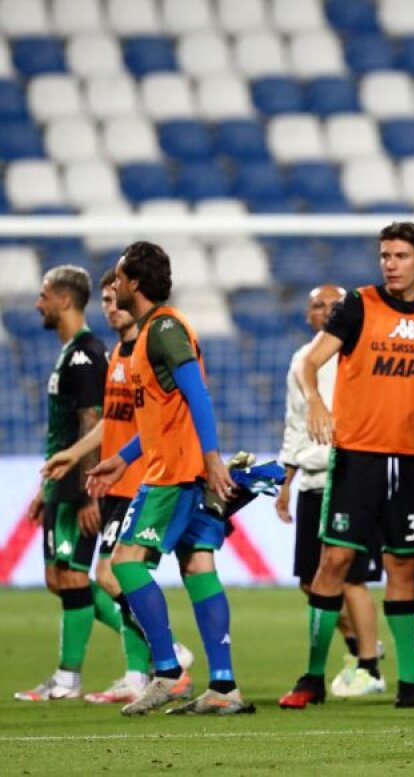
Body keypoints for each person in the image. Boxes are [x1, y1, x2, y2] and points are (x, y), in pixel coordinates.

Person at [279, 221, 414, 711]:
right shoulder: (359, 305)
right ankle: (310, 678)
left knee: (402, 567)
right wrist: (318, 404)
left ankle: (411, 684)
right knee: (335, 563)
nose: (390, 263)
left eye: (400, 256)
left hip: (408, 460)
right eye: (385, 255)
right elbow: (309, 363)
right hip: (357, 457)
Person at [87, 240, 253, 715]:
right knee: (199, 564)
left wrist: (214, 459)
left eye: (119, 275)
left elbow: (197, 393)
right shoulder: (149, 334)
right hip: (177, 466)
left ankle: (166, 671)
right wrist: (122, 457)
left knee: (124, 563)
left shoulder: (162, 329)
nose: (114, 283)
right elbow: (162, 412)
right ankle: (223, 687)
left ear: (134, 283)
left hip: (174, 474)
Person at [38, 269, 194, 704]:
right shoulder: (120, 357)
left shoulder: (148, 350)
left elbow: (156, 419)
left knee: (111, 574)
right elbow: (112, 422)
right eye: (104, 301)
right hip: (117, 479)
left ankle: (171, 655)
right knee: (112, 575)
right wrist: (75, 455)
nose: (109, 307)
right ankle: (138, 674)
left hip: (144, 479)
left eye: (114, 299)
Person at [277, 283, 386, 698]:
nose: (325, 312)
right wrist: (286, 481)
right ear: (308, 315)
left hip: (350, 476)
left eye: (334, 306)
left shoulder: (361, 353)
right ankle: (362, 647)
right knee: (311, 581)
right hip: (309, 477)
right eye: (317, 306)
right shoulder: (300, 361)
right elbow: (294, 420)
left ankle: (370, 668)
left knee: (352, 579)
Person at [15, 266, 109, 702]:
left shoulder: (86, 354)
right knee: (58, 578)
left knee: (71, 577)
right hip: (61, 485)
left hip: (78, 485)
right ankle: (151, 638)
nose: (39, 304)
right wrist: (44, 492)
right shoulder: (69, 353)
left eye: (44, 296)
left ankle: (71, 677)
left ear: (65, 300)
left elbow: (94, 422)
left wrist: (89, 490)